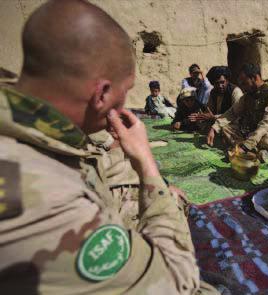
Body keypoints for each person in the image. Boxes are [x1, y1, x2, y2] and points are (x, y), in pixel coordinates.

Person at [0, 1, 218, 294]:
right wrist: (147, 166)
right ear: (102, 93)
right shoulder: (47, 200)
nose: (125, 103)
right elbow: (175, 283)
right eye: (124, 92)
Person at [207, 63, 268, 157]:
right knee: (226, 128)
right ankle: (254, 152)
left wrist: (245, 146)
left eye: (244, 83)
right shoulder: (248, 96)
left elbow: (266, 125)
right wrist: (214, 128)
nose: (243, 87)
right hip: (252, 132)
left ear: (255, 78)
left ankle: (246, 149)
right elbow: (232, 112)